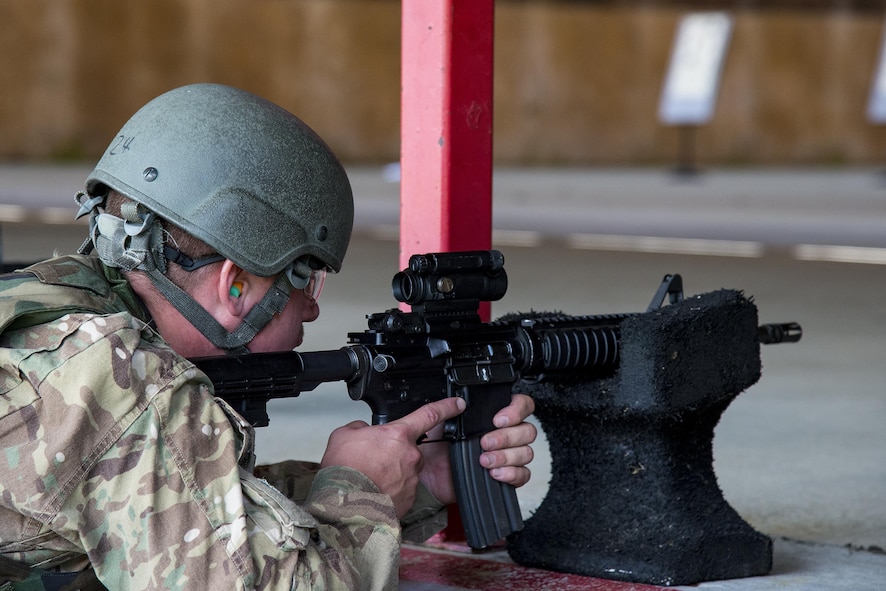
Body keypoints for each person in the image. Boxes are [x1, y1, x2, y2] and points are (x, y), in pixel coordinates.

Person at [0, 83, 537, 590]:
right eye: (306, 277)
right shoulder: (122, 384)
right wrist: (359, 494)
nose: (309, 306)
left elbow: (187, 515)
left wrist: (420, 480)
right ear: (234, 287)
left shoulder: (57, 316)